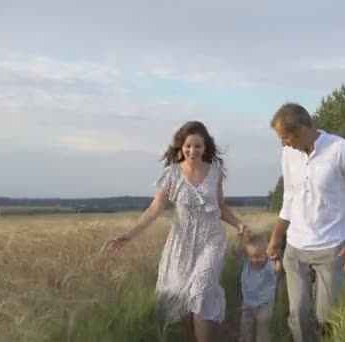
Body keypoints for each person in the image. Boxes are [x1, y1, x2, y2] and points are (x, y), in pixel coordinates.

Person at [105, 120, 251, 342]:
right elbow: (154, 209)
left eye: (198, 146)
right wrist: (129, 235)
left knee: (200, 293)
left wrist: (239, 224)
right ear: (181, 147)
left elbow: (220, 207)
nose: (193, 150)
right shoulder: (171, 174)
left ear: (205, 147)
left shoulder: (215, 172)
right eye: (188, 146)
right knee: (180, 299)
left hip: (211, 239)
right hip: (181, 243)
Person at [265, 103, 345, 342]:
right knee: (298, 315)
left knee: (327, 319)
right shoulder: (288, 154)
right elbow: (290, 196)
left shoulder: (341, 150)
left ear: (304, 127)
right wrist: (276, 235)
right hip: (295, 248)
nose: (284, 144)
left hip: (332, 249)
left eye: (286, 138)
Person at [237, 233, 282, 342]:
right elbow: (237, 253)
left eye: (259, 256)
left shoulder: (269, 265)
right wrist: (240, 239)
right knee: (245, 331)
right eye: (251, 256)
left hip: (264, 305)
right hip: (247, 305)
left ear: (267, 253)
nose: (255, 260)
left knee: (263, 333)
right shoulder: (247, 263)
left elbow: (278, 270)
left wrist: (279, 259)